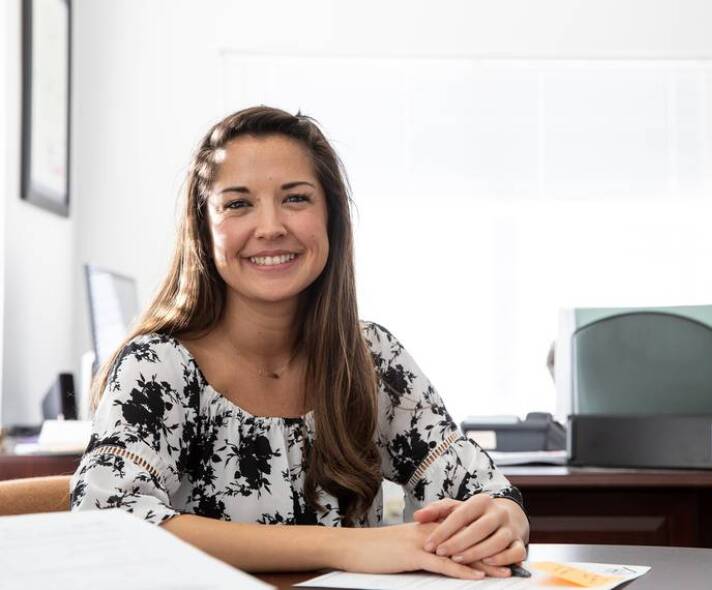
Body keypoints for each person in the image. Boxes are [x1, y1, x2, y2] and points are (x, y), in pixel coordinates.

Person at [70, 106, 529, 579]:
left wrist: (503, 517)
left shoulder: (371, 356)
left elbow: (479, 486)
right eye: (237, 203)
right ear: (203, 229)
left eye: (295, 199)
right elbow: (106, 518)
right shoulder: (157, 366)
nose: (270, 227)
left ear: (330, 217)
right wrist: (347, 547)